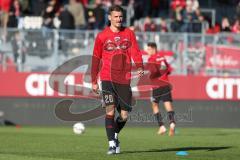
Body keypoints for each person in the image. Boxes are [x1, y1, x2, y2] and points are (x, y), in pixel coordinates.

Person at [91, 5, 144, 155]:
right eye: (116, 16)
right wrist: (94, 80)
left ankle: (115, 135)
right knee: (110, 110)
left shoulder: (129, 33)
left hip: (124, 78)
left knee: (124, 115)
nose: (119, 19)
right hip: (107, 78)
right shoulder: (102, 36)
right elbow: (96, 59)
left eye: (120, 17)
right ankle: (111, 144)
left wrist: (139, 66)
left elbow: (135, 51)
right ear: (109, 17)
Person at [146, 42, 176, 136]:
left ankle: (162, 127)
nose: (148, 51)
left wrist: (150, 76)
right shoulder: (162, 57)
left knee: (154, 105)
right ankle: (172, 123)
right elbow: (169, 70)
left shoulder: (151, 58)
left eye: (149, 49)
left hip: (157, 85)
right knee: (168, 104)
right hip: (166, 84)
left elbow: (154, 71)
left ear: (154, 49)